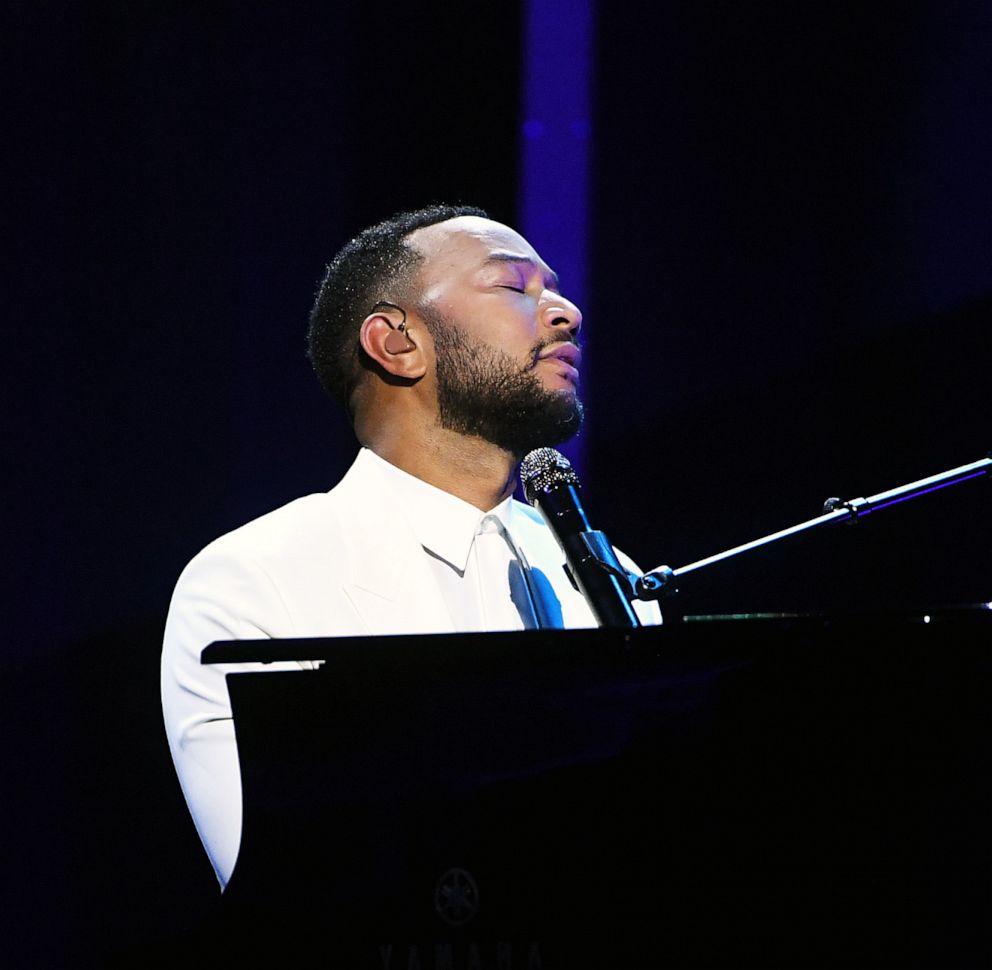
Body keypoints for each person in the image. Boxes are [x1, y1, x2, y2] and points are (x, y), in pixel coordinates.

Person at [161, 204, 660, 889]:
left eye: (553, 287)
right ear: (397, 343)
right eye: (515, 286)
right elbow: (291, 896)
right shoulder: (254, 580)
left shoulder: (611, 581)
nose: (565, 310)